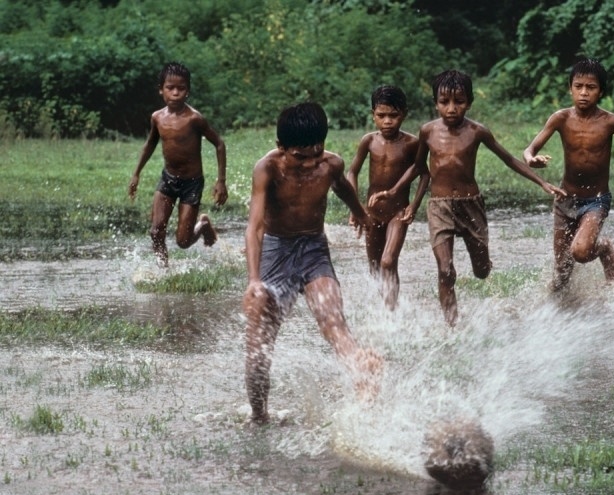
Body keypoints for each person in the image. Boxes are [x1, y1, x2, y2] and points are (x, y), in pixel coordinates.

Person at [374, 70, 565, 326]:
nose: (451, 109)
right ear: (435, 103)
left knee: (481, 271)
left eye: (459, 102)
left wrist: (542, 182)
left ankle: (484, 262)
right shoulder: (427, 131)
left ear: (470, 102)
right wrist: (397, 191)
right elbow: (419, 167)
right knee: (445, 270)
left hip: (470, 205)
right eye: (444, 102)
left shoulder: (477, 131)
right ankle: (451, 328)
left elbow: (507, 159)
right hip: (439, 207)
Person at [242, 102, 383, 426]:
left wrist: (359, 212)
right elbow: (255, 226)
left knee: (332, 320)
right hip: (276, 253)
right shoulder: (267, 168)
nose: (309, 163)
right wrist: (253, 281)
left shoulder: (331, 164)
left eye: (316, 153)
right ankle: (259, 414)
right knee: (259, 343)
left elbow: (343, 187)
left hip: (313, 249)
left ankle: (363, 373)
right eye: (300, 156)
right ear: (281, 148)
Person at [522, 58, 614, 291]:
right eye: (578, 86)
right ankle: (563, 314)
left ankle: (602, 247)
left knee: (581, 252)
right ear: (570, 88)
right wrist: (531, 158)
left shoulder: (610, 122)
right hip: (565, 200)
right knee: (561, 274)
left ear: (601, 91)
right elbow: (530, 149)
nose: (584, 93)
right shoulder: (560, 118)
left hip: (596, 201)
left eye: (591, 88)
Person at [128, 62, 227, 267]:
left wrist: (221, 181)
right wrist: (136, 173)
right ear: (161, 90)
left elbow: (219, 144)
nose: (175, 93)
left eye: (180, 88)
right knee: (155, 231)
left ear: (187, 91)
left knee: (183, 241)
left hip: (191, 183)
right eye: (170, 88)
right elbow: (150, 144)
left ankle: (203, 225)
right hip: (168, 179)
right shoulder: (157, 118)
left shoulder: (194, 119)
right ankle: (164, 271)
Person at [346, 86, 419, 309]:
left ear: (404, 114)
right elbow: (352, 172)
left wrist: (413, 206)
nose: (387, 121)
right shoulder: (369, 141)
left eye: (393, 116)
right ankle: (385, 308)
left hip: (398, 213)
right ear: (373, 115)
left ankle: (391, 314)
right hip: (372, 213)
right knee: (376, 267)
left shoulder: (411, 143)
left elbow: (424, 173)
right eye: (382, 116)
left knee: (388, 261)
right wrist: (354, 207)